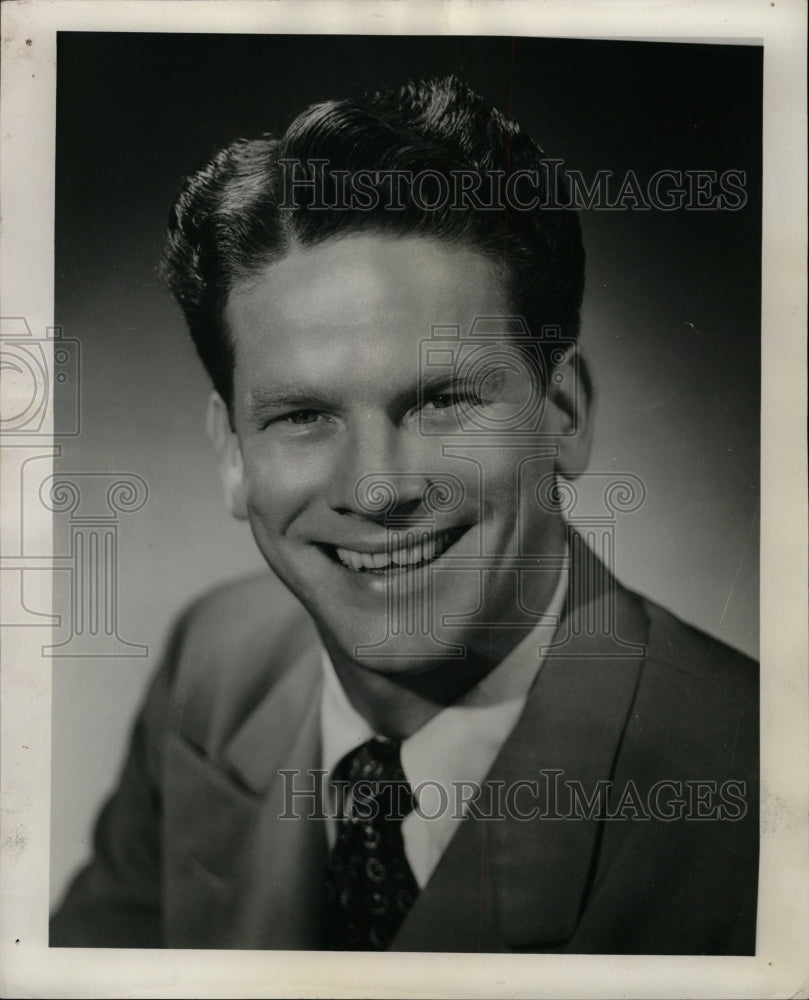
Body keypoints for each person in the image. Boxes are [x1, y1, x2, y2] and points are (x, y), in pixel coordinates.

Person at [50, 75, 758, 954]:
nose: (377, 489)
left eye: (440, 401)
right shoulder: (213, 662)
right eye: (301, 416)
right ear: (233, 454)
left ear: (563, 414)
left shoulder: (759, 791)